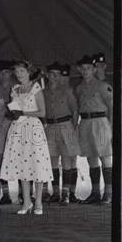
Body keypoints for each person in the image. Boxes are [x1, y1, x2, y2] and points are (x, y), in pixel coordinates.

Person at [0, 61, 53, 215]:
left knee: (36, 163)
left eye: (22, 71)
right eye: (17, 71)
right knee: (21, 164)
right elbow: (13, 108)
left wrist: (24, 113)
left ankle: (38, 202)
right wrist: (11, 114)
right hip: (18, 128)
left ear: (29, 72)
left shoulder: (36, 88)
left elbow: (42, 112)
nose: (19, 74)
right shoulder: (14, 89)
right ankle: (26, 202)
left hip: (33, 128)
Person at [75, 54, 113, 205]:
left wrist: (110, 125)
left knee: (105, 158)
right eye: (82, 69)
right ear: (79, 70)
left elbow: (112, 106)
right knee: (91, 158)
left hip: (100, 122)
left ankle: (109, 193)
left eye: (88, 68)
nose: (85, 71)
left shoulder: (102, 86)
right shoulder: (79, 88)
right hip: (85, 123)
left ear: (94, 69)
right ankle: (95, 192)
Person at [42, 62, 80, 205]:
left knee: (66, 160)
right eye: (52, 73)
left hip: (66, 125)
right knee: (52, 161)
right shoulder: (43, 92)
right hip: (50, 127)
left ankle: (65, 195)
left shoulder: (67, 90)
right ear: (47, 75)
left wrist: (74, 128)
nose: (55, 77)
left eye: (58, 74)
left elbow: (75, 110)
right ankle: (55, 193)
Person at [0, 59, 18, 206]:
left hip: (15, 124)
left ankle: (27, 193)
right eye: (0, 73)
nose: (3, 76)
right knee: (1, 158)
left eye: (6, 72)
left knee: (20, 158)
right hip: (0, 123)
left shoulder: (16, 84)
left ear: (11, 72)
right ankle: (6, 193)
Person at [60, 64, 81, 202]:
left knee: (73, 161)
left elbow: (76, 110)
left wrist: (73, 128)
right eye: (61, 76)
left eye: (65, 76)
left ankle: (71, 193)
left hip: (73, 126)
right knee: (67, 160)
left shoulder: (73, 89)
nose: (63, 79)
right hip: (64, 126)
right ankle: (66, 193)